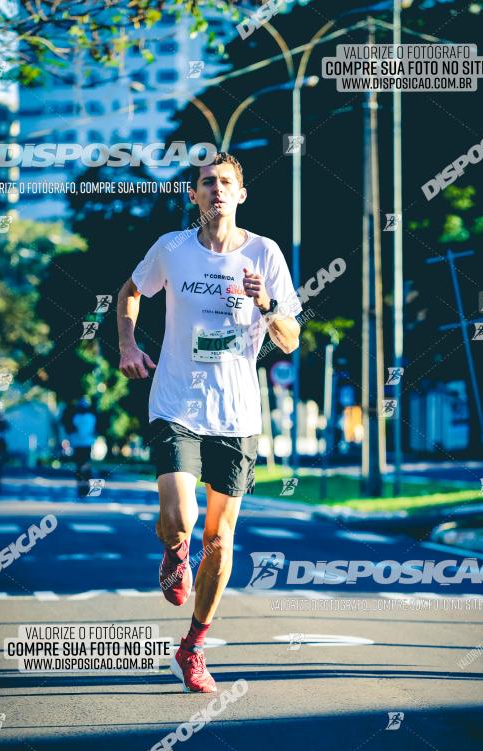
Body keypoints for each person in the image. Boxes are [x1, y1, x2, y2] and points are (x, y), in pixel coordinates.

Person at [117, 151, 301, 693]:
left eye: (225, 182)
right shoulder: (171, 249)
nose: (215, 189)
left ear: (241, 195)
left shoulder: (265, 254)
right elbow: (130, 293)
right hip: (176, 402)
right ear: (193, 195)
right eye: (206, 182)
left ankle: (193, 645)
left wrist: (264, 302)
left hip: (237, 413)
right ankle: (174, 551)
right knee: (181, 518)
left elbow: (290, 338)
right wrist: (128, 343)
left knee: (220, 540)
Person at [65, 398, 97, 497]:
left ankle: (83, 486)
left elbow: (71, 430)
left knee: (80, 465)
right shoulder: (91, 417)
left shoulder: (77, 418)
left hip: (79, 444)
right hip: (85, 444)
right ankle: (84, 486)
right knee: (84, 465)